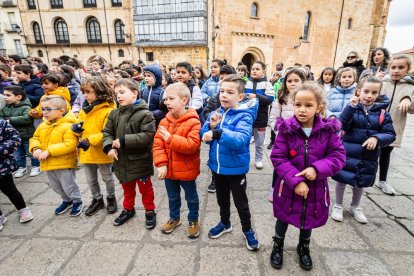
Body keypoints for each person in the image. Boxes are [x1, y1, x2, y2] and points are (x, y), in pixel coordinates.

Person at [270, 82, 346, 271]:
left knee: (308, 216)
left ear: (319, 107)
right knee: (284, 216)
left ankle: (304, 246)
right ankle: (277, 244)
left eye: (308, 105)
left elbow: (338, 156)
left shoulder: (328, 131)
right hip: (288, 186)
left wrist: (316, 169)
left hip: (315, 187)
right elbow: (278, 157)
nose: (302, 110)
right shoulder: (287, 129)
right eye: (298, 104)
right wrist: (295, 182)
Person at [201, 74, 260, 251]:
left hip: (235, 170)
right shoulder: (215, 113)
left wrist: (218, 132)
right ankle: (225, 223)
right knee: (222, 199)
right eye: (222, 91)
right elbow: (204, 137)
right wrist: (211, 127)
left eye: (229, 92)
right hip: (217, 168)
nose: (224, 95)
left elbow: (240, 139)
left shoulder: (245, 116)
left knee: (241, 203)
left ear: (240, 97)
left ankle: (248, 229)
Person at [331, 76, 396, 224]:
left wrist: (377, 138)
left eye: (374, 92)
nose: (369, 95)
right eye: (366, 91)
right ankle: (338, 204)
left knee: (360, 182)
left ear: (378, 94)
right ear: (358, 91)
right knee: (341, 179)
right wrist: (350, 108)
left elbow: (391, 134)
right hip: (347, 152)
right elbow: (340, 124)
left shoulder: (383, 114)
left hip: (368, 156)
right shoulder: (352, 108)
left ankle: (356, 206)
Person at [102, 79, 157, 228]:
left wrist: (124, 140)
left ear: (134, 93)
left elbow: (147, 136)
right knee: (127, 189)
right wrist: (109, 147)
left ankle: (150, 211)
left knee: (146, 190)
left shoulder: (145, 114)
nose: (118, 96)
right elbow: (107, 132)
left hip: (140, 161)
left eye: (122, 92)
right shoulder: (114, 113)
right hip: (122, 161)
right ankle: (128, 209)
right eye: (116, 94)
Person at [153, 82, 201, 238]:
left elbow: (192, 145)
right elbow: (158, 145)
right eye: (166, 99)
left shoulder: (193, 121)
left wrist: (171, 139)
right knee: (173, 197)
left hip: (187, 170)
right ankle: (174, 218)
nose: (167, 102)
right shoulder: (164, 122)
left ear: (184, 100)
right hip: (169, 172)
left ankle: (193, 220)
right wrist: (161, 164)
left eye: (171, 99)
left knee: (191, 198)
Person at [29, 95, 84, 216]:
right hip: (48, 163)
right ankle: (66, 200)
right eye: (43, 109)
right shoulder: (43, 125)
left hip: (64, 162)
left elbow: (69, 145)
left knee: (69, 185)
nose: (44, 112)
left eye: (48, 109)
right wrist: (36, 148)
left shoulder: (68, 125)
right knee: (55, 185)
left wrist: (49, 151)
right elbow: (35, 138)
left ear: (61, 111)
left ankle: (77, 201)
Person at [72, 77, 117, 216]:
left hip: (101, 151)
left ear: (100, 91)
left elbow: (107, 132)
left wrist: (89, 139)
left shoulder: (108, 110)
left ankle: (111, 197)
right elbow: (80, 122)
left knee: (107, 178)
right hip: (86, 151)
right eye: (83, 92)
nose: (85, 95)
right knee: (90, 180)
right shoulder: (85, 108)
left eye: (88, 92)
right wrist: (76, 128)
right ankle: (97, 199)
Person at [267, 68, 307, 202]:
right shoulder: (281, 97)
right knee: (279, 164)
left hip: (302, 139)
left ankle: (296, 184)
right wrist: (281, 132)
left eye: (296, 80)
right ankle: (274, 188)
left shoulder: (308, 98)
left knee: (297, 162)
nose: (293, 83)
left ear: (303, 82)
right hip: (284, 138)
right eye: (289, 81)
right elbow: (273, 119)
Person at [377, 54, 414, 195]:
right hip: (377, 124)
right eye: (393, 67)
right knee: (370, 152)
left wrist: (408, 100)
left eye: (401, 67)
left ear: (408, 69)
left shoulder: (410, 87)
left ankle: (382, 180)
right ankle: (362, 176)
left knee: (386, 154)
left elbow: (412, 109)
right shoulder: (383, 83)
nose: (396, 70)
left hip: (394, 126)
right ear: (389, 68)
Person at [202, 65, 237, 193]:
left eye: (226, 78)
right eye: (221, 78)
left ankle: (233, 178)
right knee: (215, 155)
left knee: (230, 155)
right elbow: (206, 111)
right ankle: (214, 179)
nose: (223, 81)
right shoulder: (216, 96)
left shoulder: (238, 98)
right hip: (215, 132)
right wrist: (213, 118)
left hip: (230, 134)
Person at [0, 119, 34, 231]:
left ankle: (23, 209)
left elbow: (15, 139)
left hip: (2, 167)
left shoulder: (2, 123)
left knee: (10, 190)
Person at [0, 85, 40, 177]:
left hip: (26, 135)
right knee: (17, 153)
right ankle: (21, 167)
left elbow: (26, 119)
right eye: (4, 95)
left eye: (8, 95)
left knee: (30, 152)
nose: (5, 97)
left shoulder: (26, 107)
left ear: (18, 97)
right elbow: (1, 118)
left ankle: (36, 165)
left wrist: (9, 120)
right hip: (11, 137)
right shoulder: (4, 107)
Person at [245, 61, 274, 169]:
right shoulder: (246, 83)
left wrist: (255, 96)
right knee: (245, 141)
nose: (254, 71)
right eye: (253, 69)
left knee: (259, 143)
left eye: (257, 69)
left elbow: (269, 99)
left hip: (261, 118)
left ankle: (259, 159)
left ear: (263, 71)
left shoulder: (267, 84)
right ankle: (245, 158)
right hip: (247, 118)